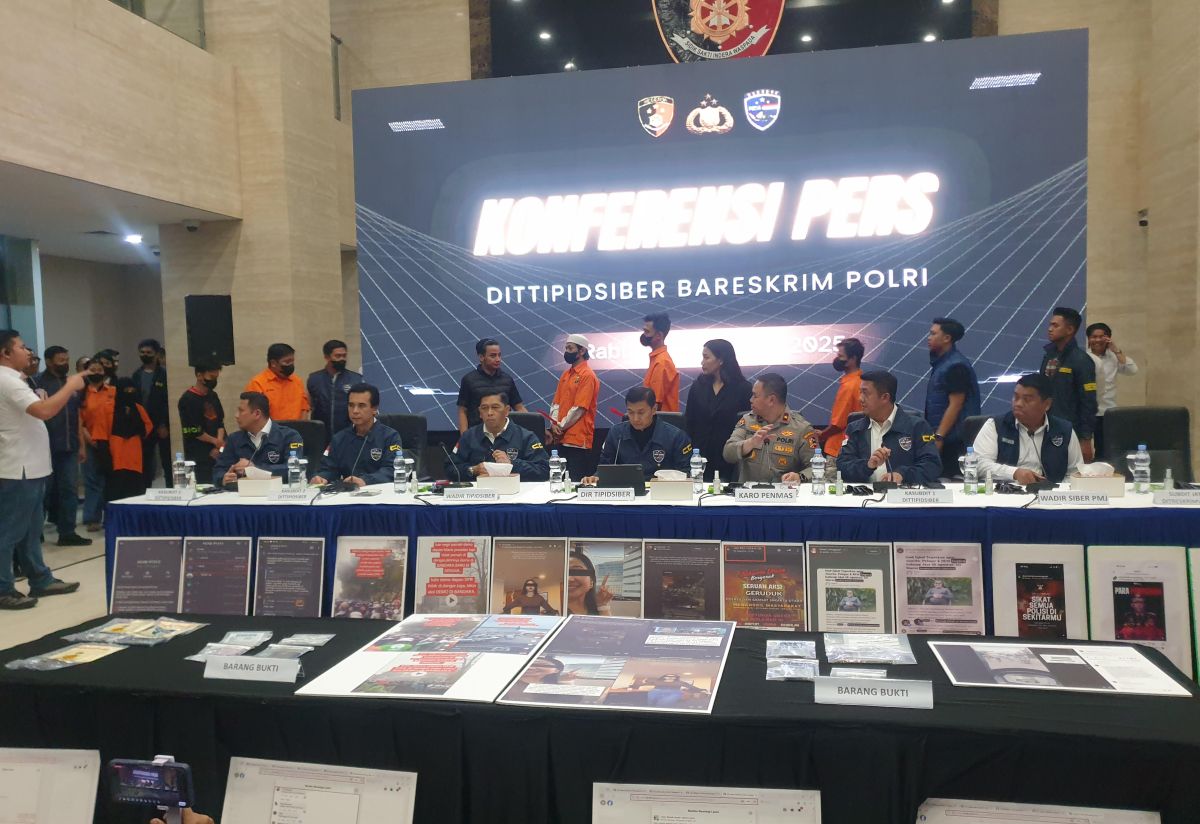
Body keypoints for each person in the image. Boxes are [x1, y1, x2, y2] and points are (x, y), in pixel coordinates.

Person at [0, 329, 83, 609]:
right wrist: (70, 386)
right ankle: (3, 588)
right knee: (9, 531)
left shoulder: (18, 380)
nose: (28, 352)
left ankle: (40, 578)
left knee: (30, 530)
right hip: (17, 467)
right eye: (22, 347)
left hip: (31, 466)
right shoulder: (6, 380)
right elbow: (44, 411)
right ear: (5, 353)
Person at [972, 373, 1082, 485]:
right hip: (1007, 492)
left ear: (1047, 404)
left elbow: (1075, 473)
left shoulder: (1064, 431)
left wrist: (1056, 490)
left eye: (1027, 399)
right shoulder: (996, 425)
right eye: (1016, 397)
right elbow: (978, 465)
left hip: (1050, 493)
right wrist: (1014, 473)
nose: (1018, 404)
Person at [837, 370, 941, 485]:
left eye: (865, 393)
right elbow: (842, 466)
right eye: (860, 392)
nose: (860, 398)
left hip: (903, 494)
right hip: (865, 494)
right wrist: (867, 465)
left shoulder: (918, 426)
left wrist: (902, 475)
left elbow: (932, 465)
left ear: (885, 397)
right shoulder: (855, 429)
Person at [35, 346, 90, 546]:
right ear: (49, 361)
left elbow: (78, 417)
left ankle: (67, 532)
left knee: (70, 491)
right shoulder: (38, 383)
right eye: (61, 360)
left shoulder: (72, 384)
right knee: (43, 493)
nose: (65, 363)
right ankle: (35, 534)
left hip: (69, 447)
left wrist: (81, 445)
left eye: (67, 359)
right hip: (45, 449)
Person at [722, 372, 817, 484]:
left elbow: (818, 467)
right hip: (747, 493)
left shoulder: (802, 429)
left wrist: (799, 477)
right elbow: (727, 454)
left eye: (755, 396)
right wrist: (750, 443)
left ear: (771, 400)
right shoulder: (747, 421)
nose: (750, 399)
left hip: (783, 493)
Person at [583, 386, 692, 482]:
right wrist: (595, 478)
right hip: (626, 492)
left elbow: (685, 474)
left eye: (641, 412)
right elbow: (604, 468)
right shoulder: (616, 434)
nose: (635, 418)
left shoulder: (676, 437)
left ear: (654, 409)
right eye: (630, 412)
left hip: (662, 493)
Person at [684, 339, 752, 481]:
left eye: (706, 357)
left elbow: (748, 425)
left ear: (721, 360)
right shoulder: (698, 386)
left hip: (729, 457)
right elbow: (689, 421)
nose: (702, 362)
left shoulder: (743, 388)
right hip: (700, 456)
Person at [312, 383, 404, 487]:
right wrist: (322, 477)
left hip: (380, 493)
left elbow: (392, 470)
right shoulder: (339, 438)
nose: (355, 411)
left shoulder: (390, 437)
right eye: (351, 405)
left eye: (361, 406)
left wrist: (365, 480)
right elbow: (328, 469)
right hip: (348, 493)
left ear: (374, 409)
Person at [446, 390, 547, 481]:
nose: (489, 413)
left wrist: (512, 465)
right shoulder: (469, 436)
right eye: (484, 408)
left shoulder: (526, 437)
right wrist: (473, 470)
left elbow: (545, 469)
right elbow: (450, 468)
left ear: (507, 410)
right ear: (480, 413)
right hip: (480, 492)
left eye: (495, 407)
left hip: (516, 492)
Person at [925, 317, 981, 477]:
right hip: (945, 438)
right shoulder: (942, 363)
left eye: (933, 334)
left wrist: (939, 437)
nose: (928, 337)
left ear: (947, 338)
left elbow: (956, 404)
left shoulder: (956, 366)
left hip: (953, 442)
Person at [1039, 307, 1097, 462]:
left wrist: (1086, 439)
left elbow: (1089, 403)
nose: (1050, 329)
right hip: (1047, 427)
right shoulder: (1049, 356)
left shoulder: (1081, 360)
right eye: (1050, 325)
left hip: (1071, 431)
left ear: (1070, 329)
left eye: (1055, 325)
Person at [212, 392, 305, 487]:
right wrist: (223, 478)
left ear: (257, 414)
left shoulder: (289, 436)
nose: (236, 415)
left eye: (241, 411)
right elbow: (218, 470)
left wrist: (255, 470)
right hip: (243, 493)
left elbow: (294, 468)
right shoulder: (234, 439)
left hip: (277, 493)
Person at [550, 333, 600, 482]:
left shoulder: (588, 375)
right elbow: (556, 403)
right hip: (561, 438)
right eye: (566, 348)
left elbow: (580, 408)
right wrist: (553, 424)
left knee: (576, 482)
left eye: (570, 348)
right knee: (560, 482)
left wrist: (560, 425)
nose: (566, 351)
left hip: (578, 441)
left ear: (582, 351)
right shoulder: (566, 374)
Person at [1086, 322, 1139, 457]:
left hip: (1106, 412)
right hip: (1086, 411)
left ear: (1108, 338)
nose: (1097, 340)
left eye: (1101, 336)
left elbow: (1132, 370)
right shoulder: (1083, 357)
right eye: (1094, 337)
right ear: (1089, 339)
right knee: (1084, 448)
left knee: (1104, 450)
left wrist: (1116, 350)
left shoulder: (1114, 358)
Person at [456, 338, 528, 433]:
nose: (498, 359)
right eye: (493, 356)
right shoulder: (468, 380)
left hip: (504, 435)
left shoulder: (507, 379)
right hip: (477, 435)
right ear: (481, 357)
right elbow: (462, 411)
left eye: (499, 355)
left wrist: (539, 428)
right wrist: (465, 437)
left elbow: (519, 407)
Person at [79, 355, 115, 532]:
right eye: (92, 370)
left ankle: (110, 517)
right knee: (92, 480)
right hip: (89, 441)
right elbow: (79, 420)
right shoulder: (81, 393)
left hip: (111, 442)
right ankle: (92, 518)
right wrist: (88, 438)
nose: (96, 373)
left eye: (99, 370)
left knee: (109, 481)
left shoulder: (113, 391)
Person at [178, 360, 226, 486]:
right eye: (211, 377)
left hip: (218, 454)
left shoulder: (213, 395)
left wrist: (218, 445)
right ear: (199, 375)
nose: (214, 380)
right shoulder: (187, 400)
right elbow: (193, 430)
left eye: (216, 377)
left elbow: (220, 422)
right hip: (199, 456)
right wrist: (214, 441)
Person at [105, 378, 154, 501]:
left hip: (134, 456)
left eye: (132, 390)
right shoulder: (110, 407)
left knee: (134, 489)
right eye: (126, 390)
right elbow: (104, 427)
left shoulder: (138, 408)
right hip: (116, 455)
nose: (130, 393)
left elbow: (148, 426)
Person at [132, 338, 171, 487]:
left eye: (148, 352)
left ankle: (171, 489)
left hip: (162, 424)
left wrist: (163, 423)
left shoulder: (164, 375)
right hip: (143, 425)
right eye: (142, 352)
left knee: (167, 460)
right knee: (145, 462)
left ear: (156, 354)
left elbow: (167, 401)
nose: (145, 355)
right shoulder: (136, 375)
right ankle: (145, 491)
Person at [818, 337, 864, 458]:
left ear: (853, 359)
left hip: (839, 449)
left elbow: (838, 424)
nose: (837, 359)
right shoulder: (862, 382)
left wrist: (821, 435)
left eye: (840, 356)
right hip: (855, 447)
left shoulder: (849, 386)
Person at [306, 339, 363, 437]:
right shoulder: (314, 379)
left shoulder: (356, 379)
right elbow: (310, 406)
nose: (342, 359)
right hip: (321, 436)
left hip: (349, 435)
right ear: (327, 357)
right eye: (338, 356)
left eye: (344, 355)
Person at [245, 342, 309, 421]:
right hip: (271, 428)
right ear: (273, 363)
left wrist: (302, 427)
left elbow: (304, 409)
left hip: (297, 428)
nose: (291, 365)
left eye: (292, 361)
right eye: (287, 362)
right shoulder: (257, 383)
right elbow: (255, 415)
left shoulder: (297, 381)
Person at [640, 312, 679, 411]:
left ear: (659, 335)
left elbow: (654, 403)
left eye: (647, 332)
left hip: (661, 419)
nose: (644, 335)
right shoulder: (658, 359)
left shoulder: (661, 362)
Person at [567, 548, 614, 616]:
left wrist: (602, 605)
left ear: (591, 581)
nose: (569, 579)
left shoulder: (596, 608)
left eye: (577, 571)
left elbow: (606, 623)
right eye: (562, 573)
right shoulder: (553, 612)